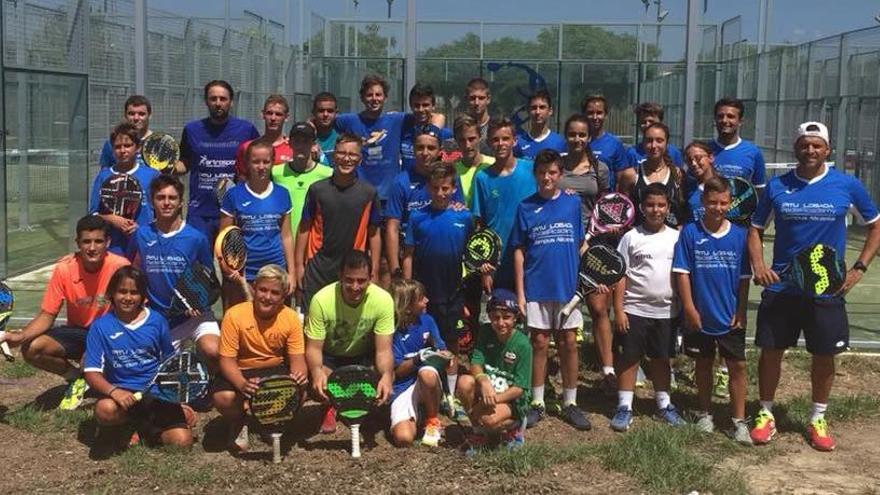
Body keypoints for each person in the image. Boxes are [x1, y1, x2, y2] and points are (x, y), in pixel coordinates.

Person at [749, 122, 880, 451]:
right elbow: (754, 229)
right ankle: (765, 414)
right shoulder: (777, 186)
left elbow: (875, 226)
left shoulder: (847, 185)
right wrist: (760, 266)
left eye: (817, 146)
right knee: (771, 352)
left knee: (824, 355)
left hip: (827, 289)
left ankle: (817, 417)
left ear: (828, 150)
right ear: (796, 148)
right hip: (782, 288)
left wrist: (858, 268)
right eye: (804, 145)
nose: (810, 151)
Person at [1, 216, 129, 410]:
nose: (92, 248)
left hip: (112, 334)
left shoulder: (121, 267)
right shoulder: (64, 269)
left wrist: (97, 343)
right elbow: (47, 315)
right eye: (86, 241)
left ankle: (104, 379)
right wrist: (19, 336)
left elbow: (132, 314)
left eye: (98, 241)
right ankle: (76, 378)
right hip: (78, 332)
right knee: (32, 348)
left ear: (108, 242)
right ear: (78, 243)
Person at [510, 150, 589, 431]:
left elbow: (581, 245)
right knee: (540, 343)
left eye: (553, 172)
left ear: (560, 174)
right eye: (542, 172)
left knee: (569, 343)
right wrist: (520, 293)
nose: (547, 177)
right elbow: (519, 252)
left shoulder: (572, 203)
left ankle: (570, 402)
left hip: (567, 288)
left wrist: (587, 278)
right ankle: (538, 402)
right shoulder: (525, 207)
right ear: (535, 174)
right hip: (536, 287)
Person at [673, 177, 752, 445]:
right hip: (700, 314)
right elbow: (682, 273)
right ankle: (705, 413)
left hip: (730, 315)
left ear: (730, 203)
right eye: (712, 202)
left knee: (738, 366)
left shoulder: (740, 236)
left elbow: (744, 279)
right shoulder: (690, 233)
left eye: (723, 203)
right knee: (703, 364)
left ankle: (739, 421)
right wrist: (689, 308)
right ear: (703, 203)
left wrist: (740, 311)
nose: (717, 207)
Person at [83, 266, 193, 448]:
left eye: (134, 292)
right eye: (122, 291)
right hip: (121, 397)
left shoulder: (157, 321)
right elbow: (91, 373)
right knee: (105, 410)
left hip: (155, 393)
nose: (127, 297)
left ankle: (143, 429)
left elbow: (169, 361)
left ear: (143, 296)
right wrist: (114, 391)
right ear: (112, 293)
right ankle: (125, 424)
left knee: (182, 443)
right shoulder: (100, 327)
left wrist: (175, 395)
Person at [610, 184, 685, 432]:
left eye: (661, 205)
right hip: (634, 310)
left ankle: (664, 405)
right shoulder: (631, 237)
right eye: (651, 205)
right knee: (629, 358)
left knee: (661, 359)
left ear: (668, 208)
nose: (656, 210)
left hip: (666, 312)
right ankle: (624, 407)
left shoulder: (676, 238)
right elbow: (621, 275)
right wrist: (619, 310)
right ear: (642, 208)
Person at [402, 162, 472, 418]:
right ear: (428, 189)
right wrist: (409, 291)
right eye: (435, 188)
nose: (441, 193)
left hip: (453, 292)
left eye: (446, 188)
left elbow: (474, 252)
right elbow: (408, 254)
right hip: (425, 294)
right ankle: (424, 390)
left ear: (454, 188)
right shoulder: (418, 217)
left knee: (452, 344)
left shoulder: (464, 217)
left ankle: (451, 396)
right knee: (426, 341)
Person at [127, 175, 220, 368]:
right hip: (160, 319)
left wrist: (198, 302)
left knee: (213, 351)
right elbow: (133, 272)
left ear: (181, 203)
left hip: (196, 317)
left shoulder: (196, 238)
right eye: (161, 198)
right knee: (154, 385)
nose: (167, 203)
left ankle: (212, 380)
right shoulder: (142, 235)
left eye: (172, 198)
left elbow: (207, 277)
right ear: (152, 202)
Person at [212, 265, 307, 452]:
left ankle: (271, 421)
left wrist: (298, 376)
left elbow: (298, 360)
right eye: (263, 290)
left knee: (300, 390)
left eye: (275, 292)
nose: (267, 297)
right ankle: (239, 421)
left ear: (284, 295)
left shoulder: (290, 318)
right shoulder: (234, 314)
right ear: (254, 287)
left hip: (275, 368)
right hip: (242, 368)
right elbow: (226, 360)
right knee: (223, 397)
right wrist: (241, 384)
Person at [304, 251, 395, 434]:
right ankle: (329, 405)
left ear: (371, 277)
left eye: (361, 281)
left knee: (386, 373)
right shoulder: (321, 300)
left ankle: (363, 405)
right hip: (331, 357)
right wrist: (316, 371)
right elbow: (313, 348)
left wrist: (386, 375)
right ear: (340, 277)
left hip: (363, 356)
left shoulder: (383, 300)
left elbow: (384, 350)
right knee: (316, 376)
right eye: (349, 280)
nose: (355, 287)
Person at [558, 113, 616, 393]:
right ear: (565, 136)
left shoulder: (600, 168)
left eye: (582, 135)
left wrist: (594, 237)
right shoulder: (555, 167)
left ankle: (608, 370)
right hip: (561, 243)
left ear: (588, 137)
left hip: (594, 245)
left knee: (598, 307)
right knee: (560, 304)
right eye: (572, 134)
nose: (577, 139)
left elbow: (608, 205)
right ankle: (556, 366)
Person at [294, 133, 382, 309]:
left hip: (353, 271)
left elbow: (374, 233)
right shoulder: (317, 190)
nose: (347, 159)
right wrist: (298, 266)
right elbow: (304, 228)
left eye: (353, 154)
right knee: (314, 324)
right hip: (318, 268)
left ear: (360, 159)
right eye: (342, 153)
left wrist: (375, 269)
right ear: (334, 156)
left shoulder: (369, 193)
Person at [175, 80, 259, 242]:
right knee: (200, 265)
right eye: (213, 99)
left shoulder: (246, 130)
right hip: (200, 212)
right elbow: (185, 162)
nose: (218, 103)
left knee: (233, 265)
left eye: (223, 99)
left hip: (235, 210)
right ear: (206, 101)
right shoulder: (192, 130)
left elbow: (259, 160)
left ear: (231, 102)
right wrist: (168, 167)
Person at [220, 140, 295, 308]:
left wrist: (292, 273)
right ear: (247, 163)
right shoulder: (233, 195)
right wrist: (232, 272)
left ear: (272, 162)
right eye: (256, 162)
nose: (261, 167)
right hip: (245, 272)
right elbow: (224, 239)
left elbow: (286, 236)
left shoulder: (282, 194)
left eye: (266, 161)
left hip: (276, 269)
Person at [455, 289, 532, 452]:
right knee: (463, 382)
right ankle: (478, 433)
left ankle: (515, 426)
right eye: (496, 317)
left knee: (489, 420)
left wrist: (490, 401)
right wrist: (483, 380)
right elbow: (476, 361)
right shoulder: (485, 331)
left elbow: (520, 388)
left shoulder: (523, 345)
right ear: (489, 317)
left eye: (507, 317)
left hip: (512, 398)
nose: (501, 323)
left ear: (515, 317)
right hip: (489, 389)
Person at [385, 126, 464, 277]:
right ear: (413, 149)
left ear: (440, 150)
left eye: (431, 148)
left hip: (444, 257)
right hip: (412, 257)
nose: (425, 153)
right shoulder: (401, 182)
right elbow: (392, 227)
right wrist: (395, 268)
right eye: (420, 148)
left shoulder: (451, 178)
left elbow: (458, 213)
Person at [471, 118, 537, 291]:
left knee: (530, 316)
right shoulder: (482, 178)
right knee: (500, 317)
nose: (500, 144)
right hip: (496, 265)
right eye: (495, 139)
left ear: (514, 140)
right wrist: (483, 264)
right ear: (488, 143)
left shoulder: (532, 170)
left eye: (505, 138)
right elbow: (479, 225)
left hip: (530, 260)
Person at [389, 279, 452, 447]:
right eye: (421, 298)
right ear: (408, 306)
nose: (427, 301)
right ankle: (417, 413)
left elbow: (442, 350)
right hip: (401, 386)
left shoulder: (428, 321)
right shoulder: (392, 331)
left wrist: (443, 356)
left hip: (424, 379)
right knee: (404, 439)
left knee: (427, 374)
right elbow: (397, 372)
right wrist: (418, 358)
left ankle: (432, 420)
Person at [89, 122, 160, 255]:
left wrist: (142, 230)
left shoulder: (152, 176)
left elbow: (161, 213)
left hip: (144, 246)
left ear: (138, 147)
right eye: (117, 147)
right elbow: (93, 213)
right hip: (114, 248)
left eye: (127, 146)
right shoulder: (104, 176)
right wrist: (112, 219)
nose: (123, 151)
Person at [334, 74, 407, 202]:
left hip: (388, 197)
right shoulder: (349, 121)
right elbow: (318, 121)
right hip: (359, 195)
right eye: (369, 95)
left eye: (378, 95)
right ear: (362, 98)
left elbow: (431, 117)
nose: (374, 99)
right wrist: (313, 142)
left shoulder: (397, 120)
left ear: (385, 97)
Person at [271, 122, 333, 261]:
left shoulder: (328, 174)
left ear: (313, 144)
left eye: (306, 142)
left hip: (314, 251)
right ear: (290, 143)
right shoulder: (275, 173)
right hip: (282, 249)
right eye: (297, 141)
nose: (301, 146)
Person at [617, 122, 686, 229]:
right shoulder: (631, 175)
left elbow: (682, 211)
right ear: (643, 143)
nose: (654, 146)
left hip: (670, 241)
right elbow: (622, 211)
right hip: (640, 240)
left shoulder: (677, 174)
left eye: (659, 140)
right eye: (649, 140)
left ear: (667, 143)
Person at [709, 97, 766, 189]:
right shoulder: (705, 150)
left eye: (730, 116)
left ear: (740, 121)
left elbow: (759, 189)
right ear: (715, 119)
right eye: (720, 116)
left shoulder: (753, 152)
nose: (724, 120)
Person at [233, 94, 293, 180]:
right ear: (263, 114)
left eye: (278, 114)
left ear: (286, 117)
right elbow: (242, 180)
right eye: (269, 113)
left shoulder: (292, 149)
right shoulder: (248, 147)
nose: (273, 118)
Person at [401, 83, 453, 171]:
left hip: (433, 182)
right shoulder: (404, 128)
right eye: (417, 105)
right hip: (408, 182)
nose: (421, 110)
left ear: (433, 106)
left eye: (425, 105)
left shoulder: (445, 134)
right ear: (411, 105)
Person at [624, 102, 684, 173]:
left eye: (651, 121)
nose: (647, 125)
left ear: (660, 122)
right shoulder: (632, 153)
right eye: (643, 122)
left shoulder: (673, 153)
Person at [581, 95, 626, 189]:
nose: (595, 117)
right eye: (590, 113)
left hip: (605, 199)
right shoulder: (576, 142)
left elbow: (621, 178)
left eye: (599, 113)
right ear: (583, 114)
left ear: (605, 114)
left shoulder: (615, 144)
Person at [98, 95, 153, 169]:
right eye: (131, 114)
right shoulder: (111, 144)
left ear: (149, 116)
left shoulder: (159, 144)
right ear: (125, 115)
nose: (136, 118)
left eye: (141, 114)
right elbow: (105, 175)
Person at [452, 114, 495, 207]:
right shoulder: (452, 171)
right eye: (462, 140)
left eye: (471, 139)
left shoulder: (494, 164)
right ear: (456, 140)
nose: (467, 145)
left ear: (480, 137)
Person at [513, 89, 566, 160]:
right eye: (534, 108)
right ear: (528, 111)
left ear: (550, 111)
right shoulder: (518, 142)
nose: (538, 112)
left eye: (542, 107)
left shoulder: (560, 142)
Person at [464, 77, 494, 156]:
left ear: (488, 99)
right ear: (466, 99)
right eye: (472, 98)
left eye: (481, 98)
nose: (476, 103)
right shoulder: (461, 127)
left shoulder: (495, 127)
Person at [311, 92, 339, 160]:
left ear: (336, 113)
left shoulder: (342, 136)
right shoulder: (304, 137)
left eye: (330, 111)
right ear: (313, 112)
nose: (325, 114)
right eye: (321, 111)